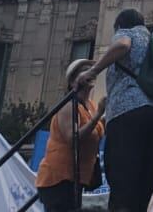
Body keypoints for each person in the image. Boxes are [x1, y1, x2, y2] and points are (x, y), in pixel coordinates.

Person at [76, 8, 153, 212]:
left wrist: (93, 71)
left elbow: (123, 45)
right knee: (144, 183)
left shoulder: (128, 32)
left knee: (123, 182)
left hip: (128, 114)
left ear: (120, 25)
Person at [38, 59, 106, 212]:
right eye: (84, 69)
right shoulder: (68, 105)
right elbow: (72, 138)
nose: (90, 71)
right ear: (73, 80)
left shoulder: (91, 106)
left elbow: (98, 132)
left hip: (77, 177)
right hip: (59, 178)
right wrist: (97, 117)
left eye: (91, 69)